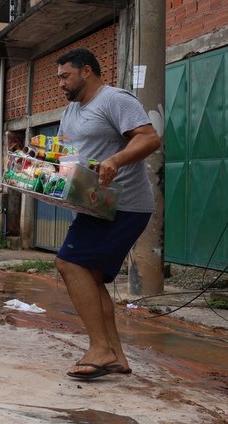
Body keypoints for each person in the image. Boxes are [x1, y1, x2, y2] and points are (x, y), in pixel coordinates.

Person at [54, 48, 161, 379]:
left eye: (65, 76)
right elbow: (65, 155)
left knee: (69, 263)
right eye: (58, 78)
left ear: (87, 71)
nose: (60, 84)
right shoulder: (71, 111)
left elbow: (149, 138)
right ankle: (115, 356)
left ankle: (100, 348)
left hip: (123, 204)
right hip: (93, 205)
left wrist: (115, 161)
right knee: (91, 276)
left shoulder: (115, 99)